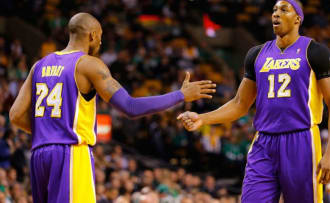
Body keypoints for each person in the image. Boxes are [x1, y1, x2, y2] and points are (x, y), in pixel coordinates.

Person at [9, 13, 216, 203]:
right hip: (70, 153)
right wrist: (180, 95)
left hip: (39, 154)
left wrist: (50, 132)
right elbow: (130, 107)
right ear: (92, 35)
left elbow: (16, 115)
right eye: (100, 36)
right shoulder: (89, 64)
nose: (101, 41)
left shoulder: (39, 65)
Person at [177, 0, 330, 202]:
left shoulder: (315, 51)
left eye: (284, 10)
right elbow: (240, 103)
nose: (276, 14)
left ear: (297, 19)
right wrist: (203, 118)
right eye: (274, 10)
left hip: (301, 140)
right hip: (264, 142)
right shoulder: (256, 54)